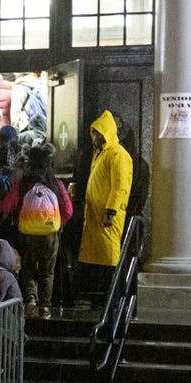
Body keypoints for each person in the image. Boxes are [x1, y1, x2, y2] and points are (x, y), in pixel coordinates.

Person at [0, 143, 73, 318]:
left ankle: (31, 299)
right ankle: (45, 307)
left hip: (26, 232)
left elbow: (7, 205)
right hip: (50, 234)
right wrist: (58, 224)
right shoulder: (55, 184)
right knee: (48, 271)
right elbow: (68, 210)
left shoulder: (23, 184)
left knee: (28, 267)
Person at [79, 110, 133, 298]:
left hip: (107, 217)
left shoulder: (118, 155)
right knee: (100, 257)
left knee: (109, 257)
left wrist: (111, 210)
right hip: (96, 215)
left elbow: (120, 186)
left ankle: (112, 297)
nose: (93, 136)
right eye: (93, 132)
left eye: (97, 132)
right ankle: (101, 297)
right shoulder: (101, 154)